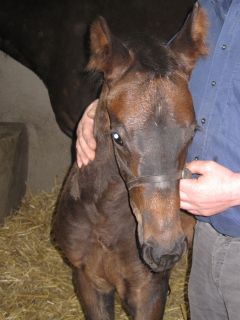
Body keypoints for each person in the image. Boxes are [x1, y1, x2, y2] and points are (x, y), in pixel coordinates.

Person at [75, 0, 240, 318]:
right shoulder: (212, 8)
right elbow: (154, 76)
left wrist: (236, 190)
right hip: (206, 235)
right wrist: (100, 108)